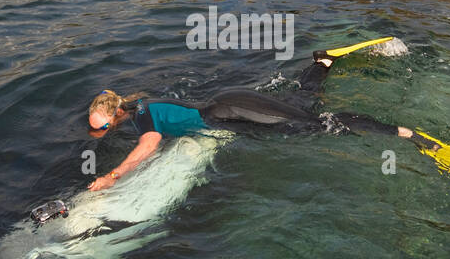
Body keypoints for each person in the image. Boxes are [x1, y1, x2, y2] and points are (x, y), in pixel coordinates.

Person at [85, 48, 414, 190]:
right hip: (228, 106)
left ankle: (396, 131)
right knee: (297, 103)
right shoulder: (139, 106)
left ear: (114, 116)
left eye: (99, 128)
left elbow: (150, 143)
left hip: (230, 110)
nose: (96, 133)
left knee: (315, 125)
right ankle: (322, 63)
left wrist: (113, 176)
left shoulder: (140, 116)